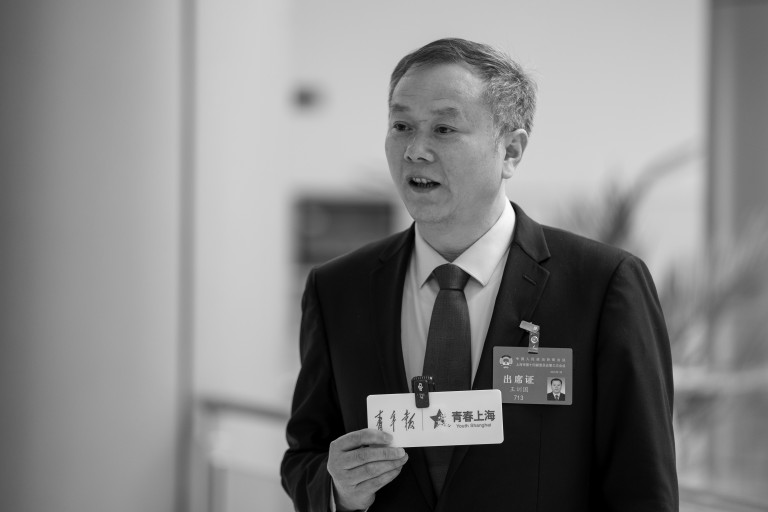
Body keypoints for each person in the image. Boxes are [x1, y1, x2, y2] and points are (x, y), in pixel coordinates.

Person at [281, 37, 678, 511]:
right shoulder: (338, 289)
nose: (415, 150)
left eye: (444, 128)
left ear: (511, 150)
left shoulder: (602, 285)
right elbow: (304, 455)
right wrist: (339, 491)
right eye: (401, 125)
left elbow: (642, 487)